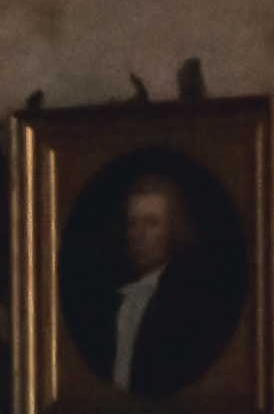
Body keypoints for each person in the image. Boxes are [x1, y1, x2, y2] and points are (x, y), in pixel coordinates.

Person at [63, 160, 245, 400]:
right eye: (132, 224)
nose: (139, 235)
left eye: (151, 224)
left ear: (173, 230)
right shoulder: (108, 300)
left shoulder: (190, 303)